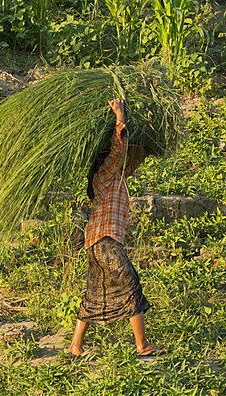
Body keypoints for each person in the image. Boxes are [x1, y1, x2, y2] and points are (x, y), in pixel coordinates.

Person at [68, 98, 162, 359]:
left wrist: (148, 143)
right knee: (131, 284)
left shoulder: (115, 178)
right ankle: (142, 345)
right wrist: (120, 119)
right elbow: (118, 155)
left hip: (96, 244)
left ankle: (75, 346)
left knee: (94, 293)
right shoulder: (104, 174)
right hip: (106, 242)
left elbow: (129, 162)